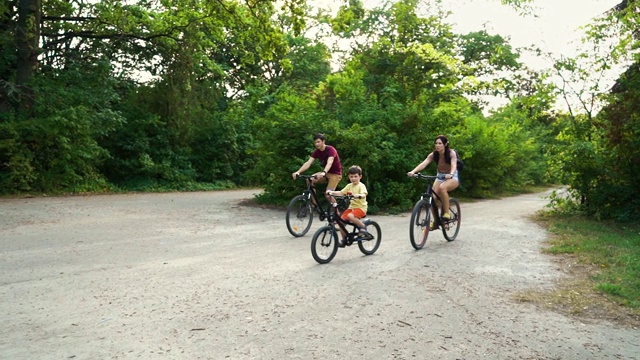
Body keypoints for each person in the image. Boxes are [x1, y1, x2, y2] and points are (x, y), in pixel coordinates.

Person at [406, 135, 459, 225]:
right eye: (436, 143)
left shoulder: (451, 153)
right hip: (440, 176)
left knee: (443, 188)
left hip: (452, 176)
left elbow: (454, 164)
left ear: (445, 144)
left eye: (440, 143)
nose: (437, 145)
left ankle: (447, 213)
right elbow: (424, 164)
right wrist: (413, 171)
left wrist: (451, 174)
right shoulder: (434, 155)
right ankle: (436, 221)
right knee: (433, 199)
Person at [326, 165, 371, 246]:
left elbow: (364, 194)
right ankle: (344, 240)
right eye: (351, 177)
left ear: (360, 176)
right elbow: (341, 192)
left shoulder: (361, 185)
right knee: (340, 222)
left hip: (361, 208)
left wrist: (358, 195)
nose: (353, 178)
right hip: (351, 208)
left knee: (350, 216)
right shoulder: (349, 186)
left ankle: (363, 226)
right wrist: (331, 192)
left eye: (355, 176)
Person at [292, 133, 343, 202]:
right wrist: (298, 171)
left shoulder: (331, 149)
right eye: (315, 142)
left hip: (335, 174)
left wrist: (324, 172)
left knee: (328, 195)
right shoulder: (317, 152)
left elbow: (329, 162)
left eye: (318, 142)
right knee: (310, 180)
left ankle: (337, 212)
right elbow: (308, 163)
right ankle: (315, 204)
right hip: (325, 173)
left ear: (323, 141)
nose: (316, 144)